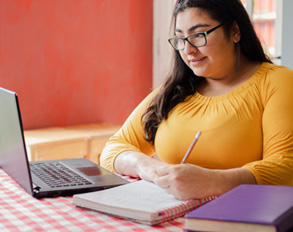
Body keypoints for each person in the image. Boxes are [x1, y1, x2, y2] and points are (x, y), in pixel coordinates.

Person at [100, 0, 293, 200]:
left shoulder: (278, 82)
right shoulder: (174, 91)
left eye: (198, 35)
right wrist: (151, 168)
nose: (188, 50)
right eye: (181, 39)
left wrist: (212, 182)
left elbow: (286, 167)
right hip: (162, 216)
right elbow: (114, 148)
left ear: (235, 31)